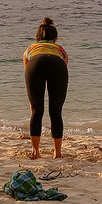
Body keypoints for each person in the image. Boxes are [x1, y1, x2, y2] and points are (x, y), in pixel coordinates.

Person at [22, 17, 69, 159]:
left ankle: (36, 152)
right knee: (56, 111)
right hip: (57, 65)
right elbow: (64, 63)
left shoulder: (30, 49)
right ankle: (57, 153)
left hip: (35, 64)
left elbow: (27, 68)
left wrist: (33, 101)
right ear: (55, 38)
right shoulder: (60, 49)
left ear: (37, 38)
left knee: (36, 111)